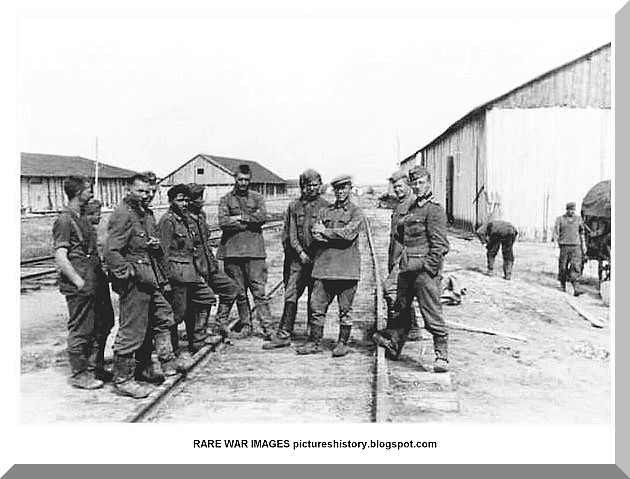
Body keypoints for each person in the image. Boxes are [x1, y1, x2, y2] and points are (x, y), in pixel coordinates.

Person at [104, 173, 180, 398]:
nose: (147, 196)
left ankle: (147, 367)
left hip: (149, 278)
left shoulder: (145, 214)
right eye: (141, 191)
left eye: (150, 192)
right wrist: (125, 274)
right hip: (135, 281)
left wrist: (154, 246)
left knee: (162, 317)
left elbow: (143, 245)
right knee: (132, 330)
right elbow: (111, 250)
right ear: (129, 190)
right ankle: (123, 379)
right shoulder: (123, 214)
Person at [372, 166, 450, 373]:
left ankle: (441, 357)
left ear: (429, 183)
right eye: (414, 183)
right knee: (401, 309)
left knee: (431, 313)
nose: (418, 186)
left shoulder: (434, 210)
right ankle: (395, 344)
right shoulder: (412, 208)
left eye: (421, 182)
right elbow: (402, 236)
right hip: (407, 270)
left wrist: (429, 270)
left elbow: (440, 245)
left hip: (424, 273)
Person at [297, 174, 364, 357]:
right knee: (316, 307)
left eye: (344, 188)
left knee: (345, 310)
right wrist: (333, 235)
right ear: (333, 191)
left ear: (350, 188)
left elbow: (349, 234)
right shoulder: (325, 211)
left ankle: (342, 343)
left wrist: (326, 232)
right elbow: (315, 234)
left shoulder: (356, 212)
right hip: (324, 268)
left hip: (346, 270)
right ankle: (314, 341)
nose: (340, 192)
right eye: (337, 189)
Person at [263, 169, 329, 350]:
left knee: (315, 298)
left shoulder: (326, 206)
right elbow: (291, 234)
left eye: (316, 185)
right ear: (303, 186)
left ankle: (311, 336)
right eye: (309, 185)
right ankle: (284, 334)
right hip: (298, 260)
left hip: (318, 260)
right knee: (291, 294)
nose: (312, 189)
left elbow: (327, 234)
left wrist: (315, 255)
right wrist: (300, 253)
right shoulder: (294, 206)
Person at [52, 177, 103, 389]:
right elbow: (60, 256)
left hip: (92, 281)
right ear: (78, 192)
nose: (91, 193)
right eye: (88, 189)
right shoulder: (65, 220)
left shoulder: (80, 216)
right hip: (80, 284)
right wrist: (78, 281)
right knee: (81, 328)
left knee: (98, 325)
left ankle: (93, 368)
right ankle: (79, 373)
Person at [159, 184, 216, 356]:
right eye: (179, 200)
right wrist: (166, 280)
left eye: (185, 200)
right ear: (170, 201)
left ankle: (198, 339)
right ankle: (171, 349)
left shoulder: (184, 219)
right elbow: (163, 252)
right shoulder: (167, 221)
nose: (184, 203)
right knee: (178, 313)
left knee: (207, 298)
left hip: (192, 272)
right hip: (177, 274)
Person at [218, 164, 273, 339]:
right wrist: (250, 221)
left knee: (259, 293)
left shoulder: (257, 197)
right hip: (232, 252)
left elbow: (263, 217)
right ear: (235, 178)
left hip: (255, 252)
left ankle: (268, 328)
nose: (243, 183)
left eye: (246, 180)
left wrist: (241, 218)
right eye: (240, 179)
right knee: (240, 293)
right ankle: (246, 325)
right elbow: (223, 222)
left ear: (250, 180)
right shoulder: (226, 199)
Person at [186, 184, 238, 346]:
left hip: (209, 265)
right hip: (195, 268)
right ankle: (198, 335)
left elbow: (205, 241)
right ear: (189, 201)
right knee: (204, 299)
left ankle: (219, 324)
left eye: (202, 197)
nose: (201, 201)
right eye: (197, 198)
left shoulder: (201, 215)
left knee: (230, 289)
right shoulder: (184, 218)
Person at [382, 170, 421, 342]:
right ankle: (410, 328)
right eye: (394, 186)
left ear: (408, 185)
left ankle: (403, 328)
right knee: (402, 292)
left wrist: (404, 259)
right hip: (396, 255)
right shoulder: (400, 204)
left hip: (405, 257)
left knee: (391, 289)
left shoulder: (414, 204)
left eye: (399, 186)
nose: (396, 190)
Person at [83, 199, 115, 382]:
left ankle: (98, 363)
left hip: (100, 281)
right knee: (94, 325)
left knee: (106, 322)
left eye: (98, 213)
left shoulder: (98, 232)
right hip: (89, 283)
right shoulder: (82, 234)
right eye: (93, 213)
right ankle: (91, 367)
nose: (97, 217)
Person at [554, 202, 586, 296]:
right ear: (566, 209)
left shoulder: (578, 219)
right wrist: (556, 246)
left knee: (576, 266)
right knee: (563, 266)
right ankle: (562, 284)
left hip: (576, 246)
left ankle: (576, 288)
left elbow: (582, 233)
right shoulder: (560, 219)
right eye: (570, 209)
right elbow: (556, 233)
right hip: (564, 246)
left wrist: (583, 245)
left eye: (573, 209)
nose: (571, 211)